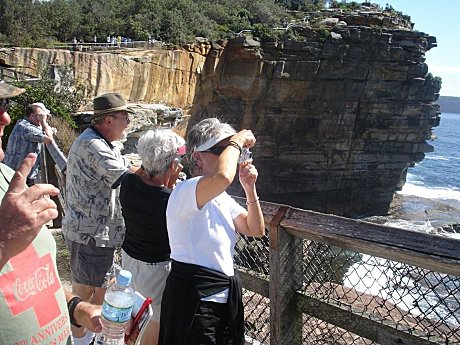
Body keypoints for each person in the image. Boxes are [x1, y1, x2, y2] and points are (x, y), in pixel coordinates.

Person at [0, 82, 103, 344]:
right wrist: (4, 239)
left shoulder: (9, 178)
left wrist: (76, 308)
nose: (5, 117)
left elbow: (32, 273)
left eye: (4, 105)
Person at [159, 118, 265, 345]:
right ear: (197, 157)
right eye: (223, 149)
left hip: (220, 302)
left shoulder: (221, 198)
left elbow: (255, 229)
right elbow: (223, 177)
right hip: (195, 304)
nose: (232, 155)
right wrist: (237, 141)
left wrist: (249, 188)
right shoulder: (185, 191)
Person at [62, 92, 137, 344]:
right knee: (84, 296)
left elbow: (125, 168)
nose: (128, 122)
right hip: (91, 235)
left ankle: (84, 340)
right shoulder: (94, 146)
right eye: (124, 117)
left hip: (94, 233)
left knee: (97, 292)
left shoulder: (103, 143)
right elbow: (125, 178)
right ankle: (79, 341)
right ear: (107, 120)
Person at [120, 129, 185, 345]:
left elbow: (142, 176)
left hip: (129, 259)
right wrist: (172, 178)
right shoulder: (170, 201)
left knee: (133, 315)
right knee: (153, 324)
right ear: (172, 163)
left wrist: (164, 170)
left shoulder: (128, 184)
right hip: (156, 269)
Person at [3, 102, 55, 186]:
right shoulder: (25, 127)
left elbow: (44, 132)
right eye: (40, 115)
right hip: (17, 175)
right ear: (32, 116)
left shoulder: (25, 124)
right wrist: (43, 121)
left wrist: (44, 122)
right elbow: (48, 139)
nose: (42, 117)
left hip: (19, 173)